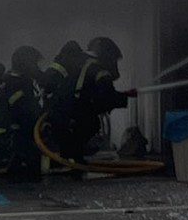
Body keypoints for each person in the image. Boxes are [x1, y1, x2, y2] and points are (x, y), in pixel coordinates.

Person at [47, 36, 136, 165]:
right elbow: (105, 99)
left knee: (76, 127)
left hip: (57, 110)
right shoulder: (99, 70)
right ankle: (72, 156)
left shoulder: (79, 61)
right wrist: (123, 97)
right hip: (72, 112)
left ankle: (69, 158)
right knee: (92, 123)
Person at [0, 46, 45, 181]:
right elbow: (26, 113)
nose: (36, 67)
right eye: (34, 64)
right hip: (8, 138)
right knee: (34, 162)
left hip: (5, 136)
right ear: (26, 64)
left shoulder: (11, 80)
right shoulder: (17, 84)